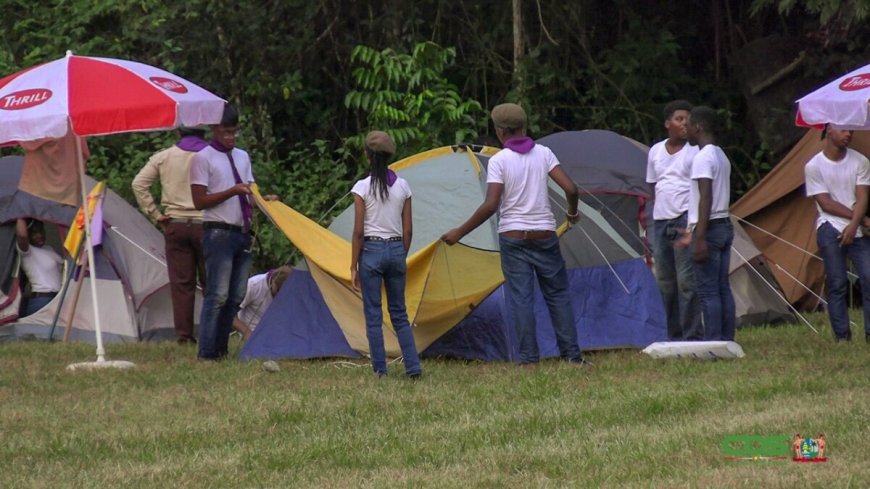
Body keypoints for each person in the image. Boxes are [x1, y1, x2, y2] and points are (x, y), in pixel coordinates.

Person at [442, 103, 587, 366]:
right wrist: (572, 213)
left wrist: (459, 232)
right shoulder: (543, 154)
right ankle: (572, 357)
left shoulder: (499, 161)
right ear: (524, 126)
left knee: (521, 298)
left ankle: (529, 360)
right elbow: (571, 188)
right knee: (557, 295)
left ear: (499, 131)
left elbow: (491, 205)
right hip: (544, 234)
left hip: (513, 237)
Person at [190, 103, 275, 360]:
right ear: (214, 129)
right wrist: (232, 191)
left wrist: (264, 201)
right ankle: (207, 352)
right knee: (217, 294)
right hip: (218, 232)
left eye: (234, 132)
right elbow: (199, 201)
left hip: (242, 232)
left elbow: (250, 192)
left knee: (236, 296)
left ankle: (221, 350)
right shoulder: (203, 158)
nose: (230, 137)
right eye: (226, 132)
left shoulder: (242, 156)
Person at [350, 131, 422, 379]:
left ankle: (380, 371)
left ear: (368, 156)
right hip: (395, 249)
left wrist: (353, 265)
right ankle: (413, 367)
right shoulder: (403, 186)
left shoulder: (362, 187)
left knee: (373, 313)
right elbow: (409, 229)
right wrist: (401, 254)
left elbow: (358, 231)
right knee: (399, 313)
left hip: (370, 251)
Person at [132, 127, 209, 345]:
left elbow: (139, 184)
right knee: (211, 283)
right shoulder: (212, 155)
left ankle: (184, 336)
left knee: (182, 284)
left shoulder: (164, 156)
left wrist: (155, 214)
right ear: (205, 132)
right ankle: (212, 332)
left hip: (175, 225)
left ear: (178, 133)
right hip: (206, 224)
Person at [804, 125, 870, 343]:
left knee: (868, 277)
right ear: (830, 130)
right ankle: (842, 336)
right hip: (830, 226)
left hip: (856, 229)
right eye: (843, 130)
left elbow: (862, 196)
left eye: (850, 130)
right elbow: (825, 202)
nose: (848, 134)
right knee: (837, 282)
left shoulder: (860, 161)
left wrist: (854, 226)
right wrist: (857, 220)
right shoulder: (814, 166)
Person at [646, 100, 702, 340]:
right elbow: (652, 184)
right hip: (660, 220)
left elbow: (701, 187)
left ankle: (692, 335)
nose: (684, 124)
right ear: (667, 123)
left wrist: (692, 225)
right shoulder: (655, 151)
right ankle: (673, 334)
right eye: (679, 119)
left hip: (684, 217)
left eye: (688, 120)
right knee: (665, 282)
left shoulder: (695, 151)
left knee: (686, 282)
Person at [682, 106, 735, 341]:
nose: (686, 129)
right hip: (725, 223)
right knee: (722, 286)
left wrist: (699, 236)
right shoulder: (721, 155)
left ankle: (713, 340)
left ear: (699, 127)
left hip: (710, 227)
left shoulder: (702, 158)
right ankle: (727, 338)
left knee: (708, 289)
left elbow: (706, 196)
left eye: (689, 125)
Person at [15, 218, 63, 316]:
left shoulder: (49, 249)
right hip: (42, 300)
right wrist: (20, 211)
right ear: (28, 234)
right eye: (34, 233)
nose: (40, 235)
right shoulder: (27, 251)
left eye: (41, 230)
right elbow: (22, 235)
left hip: (58, 299)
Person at [232, 266, 292, 340]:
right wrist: (248, 333)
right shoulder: (253, 285)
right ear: (273, 280)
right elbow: (230, 316)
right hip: (254, 332)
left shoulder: (292, 291)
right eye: (278, 292)